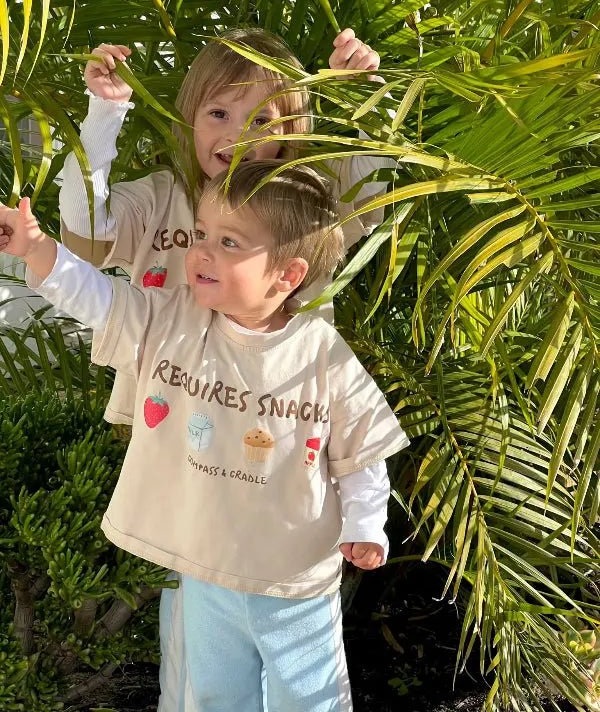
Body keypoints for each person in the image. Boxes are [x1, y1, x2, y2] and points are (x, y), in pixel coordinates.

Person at [58, 26, 394, 709]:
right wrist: (103, 117)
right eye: (219, 112)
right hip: (180, 436)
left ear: (295, 129)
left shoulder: (303, 205)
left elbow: (372, 203)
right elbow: (83, 232)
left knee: (293, 649)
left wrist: (361, 101)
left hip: (278, 453)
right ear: (190, 118)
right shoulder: (160, 199)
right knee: (200, 635)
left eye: (264, 119)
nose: (238, 134)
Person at [0, 161, 409, 712]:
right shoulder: (173, 320)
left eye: (229, 242)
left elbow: (361, 450)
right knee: (216, 694)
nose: (201, 251)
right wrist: (37, 250)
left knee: (307, 698)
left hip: (291, 578)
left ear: (287, 275)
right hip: (209, 564)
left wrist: (365, 524)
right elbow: (99, 298)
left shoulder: (319, 353)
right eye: (200, 234)